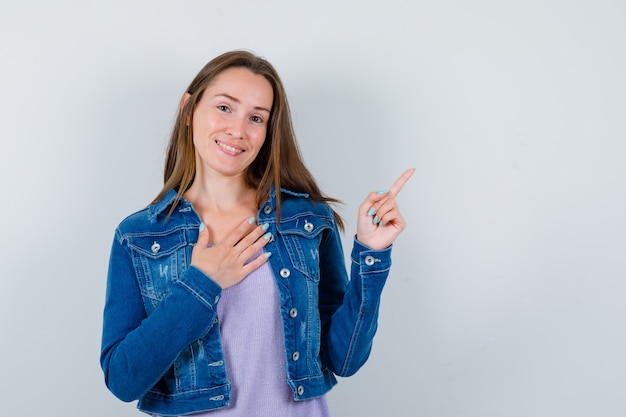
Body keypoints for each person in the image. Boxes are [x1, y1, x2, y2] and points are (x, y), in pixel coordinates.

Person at [100, 50, 414, 417]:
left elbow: (343, 360)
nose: (238, 130)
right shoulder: (139, 237)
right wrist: (201, 284)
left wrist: (370, 255)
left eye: (256, 117)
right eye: (224, 108)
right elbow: (122, 379)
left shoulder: (306, 220)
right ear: (189, 109)